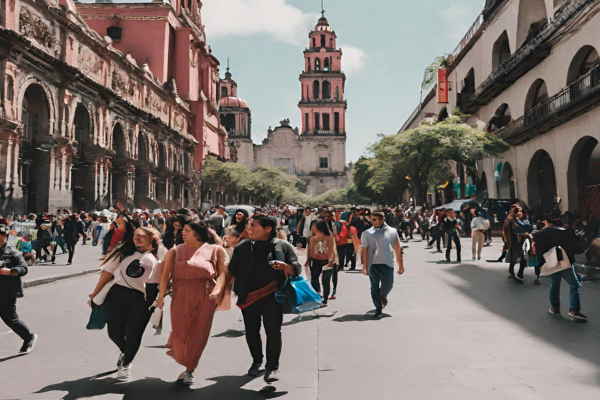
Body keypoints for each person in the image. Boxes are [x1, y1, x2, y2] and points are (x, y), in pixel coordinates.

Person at [228, 215, 302, 383]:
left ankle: (272, 367)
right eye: (249, 225)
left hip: (273, 296)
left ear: (268, 229)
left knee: (273, 332)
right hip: (249, 297)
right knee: (252, 331)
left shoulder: (282, 246)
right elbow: (232, 270)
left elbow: (296, 269)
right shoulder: (242, 247)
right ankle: (256, 360)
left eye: (254, 225)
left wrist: (285, 267)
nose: (249, 228)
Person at [156, 221, 230, 385]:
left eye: (187, 230)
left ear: (199, 233)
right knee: (181, 332)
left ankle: (190, 369)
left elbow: (223, 274)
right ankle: (185, 359)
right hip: (180, 296)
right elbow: (165, 276)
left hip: (205, 297)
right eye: (183, 230)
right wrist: (160, 297)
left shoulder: (216, 250)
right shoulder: (175, 251)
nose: (183, 233)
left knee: (198, 334)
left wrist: (218, 289)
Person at [88, 226, 162, 381]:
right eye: (135, 236)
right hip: (118, 295)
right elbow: (107, 273)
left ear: (151, 238)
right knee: (114, 332)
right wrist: (94, 295)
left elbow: (166, 277)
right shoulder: (124, 253)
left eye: (141, 236)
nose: (137, 238)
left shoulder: (160, 254)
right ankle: (125, 352)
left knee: (134, 333)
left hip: (143, 300)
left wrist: (160, 299)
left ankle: (126, 363)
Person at [533, 214, 586, 320]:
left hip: (551, 261)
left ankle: (555, 308)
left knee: (555, 284)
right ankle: (574, 310)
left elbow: (539, 249)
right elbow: (576, 247)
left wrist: (540, 263)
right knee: (574, 284)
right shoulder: (567, 230)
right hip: (565, 260)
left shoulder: (542, 233)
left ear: (548, 222)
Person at [0, 225, 38, 354]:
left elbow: (23, 268)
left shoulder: (12, 252)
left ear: (4, 236)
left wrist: (8, 271)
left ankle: (28, 337)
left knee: (11, 320)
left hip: (6, 293)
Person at [361, 212, 405, 319]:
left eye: (378, 219)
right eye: (373, 219)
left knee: (388, 285)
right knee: (374, 287)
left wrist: (401, 264)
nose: (376, 221)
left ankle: (383, 296)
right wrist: (365, 265)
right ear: (370, 220)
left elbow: (398, 249)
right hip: (373, 265)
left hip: (387, 263)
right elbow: (364, 250)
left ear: (383, 219)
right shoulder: (366, 233)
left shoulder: (392, 231)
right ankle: (378, 308)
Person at [305, 220, 336, 306]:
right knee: (314, 280)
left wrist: (330, 261)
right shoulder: (312, 238)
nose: (313, 228)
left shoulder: (329, 237)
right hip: (315, 261)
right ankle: (317, 297)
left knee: (325, 281)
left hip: (327, 261)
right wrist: (307, 262)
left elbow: (330, 250)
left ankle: (325, 299)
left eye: (315, 226)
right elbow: (310, 252)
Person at [503, 207, 532, 283]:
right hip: (515, 241)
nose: (520, 214)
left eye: (521, 213)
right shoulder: (511, 220)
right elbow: (506, 231)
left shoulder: (525, 221)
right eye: (518, 213)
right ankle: (511, 272)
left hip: (524, 240)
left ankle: (520, 274)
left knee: (524, 257)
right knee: (514, 257)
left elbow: (528, 228)